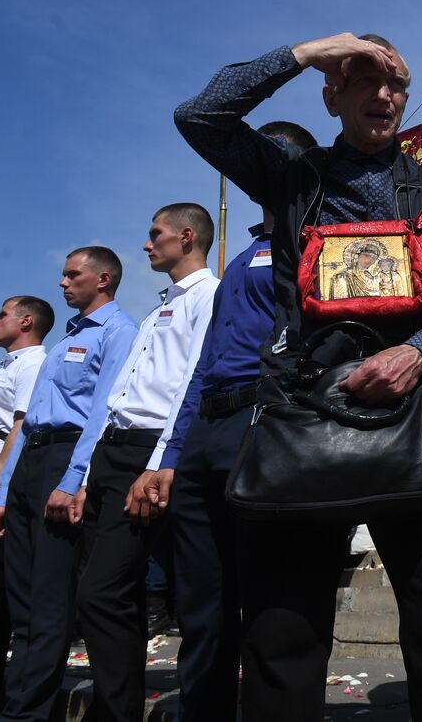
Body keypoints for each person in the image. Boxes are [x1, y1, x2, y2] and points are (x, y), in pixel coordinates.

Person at [174, 32, 422, 721]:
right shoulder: (292, 179)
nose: (383, 95)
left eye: (396, 82)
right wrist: (302, 52)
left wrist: (416, 354)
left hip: (420, 421)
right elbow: (199, 116)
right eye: (362, 78)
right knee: (281, 635)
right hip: (301, 421)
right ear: (332, 95)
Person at [127, 120, 316, 722]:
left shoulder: (315, 239)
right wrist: (173, 454)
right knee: (203, 601)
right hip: (209, 428)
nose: (261, 163)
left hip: (268, 423)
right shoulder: (242, 257)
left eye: (276, 154)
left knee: (268, 598)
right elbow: (205, 362)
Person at [62, 205, 219, 721]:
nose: (147, 245)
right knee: (107, 591)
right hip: (116, 450)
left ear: (187, 236)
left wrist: (156, 461)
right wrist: (87, 474)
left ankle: (127, 709)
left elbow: (189, 386)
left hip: (155, 450)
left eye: (156, 235)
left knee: (108, 590)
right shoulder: (154, 312)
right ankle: (117, 707)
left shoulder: (209, 297)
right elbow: (118, 396)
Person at [0, 248, 139, 722]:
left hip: (65, 458)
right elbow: (29, 421)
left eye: (73, 275)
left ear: (104, 279)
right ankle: (18, 702)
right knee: (21, 597)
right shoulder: (66, 339)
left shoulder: (120, 332)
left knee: (48, 597)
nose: (63, 282)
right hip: (32, 459)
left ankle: (27, 712)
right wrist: (3, 492)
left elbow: (102, 413)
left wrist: (74, 479)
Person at [0, 297, 52, 717]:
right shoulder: (6, 365)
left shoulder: (31, 364)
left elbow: (21, 426)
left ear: (26, 321)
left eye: (3, 315)